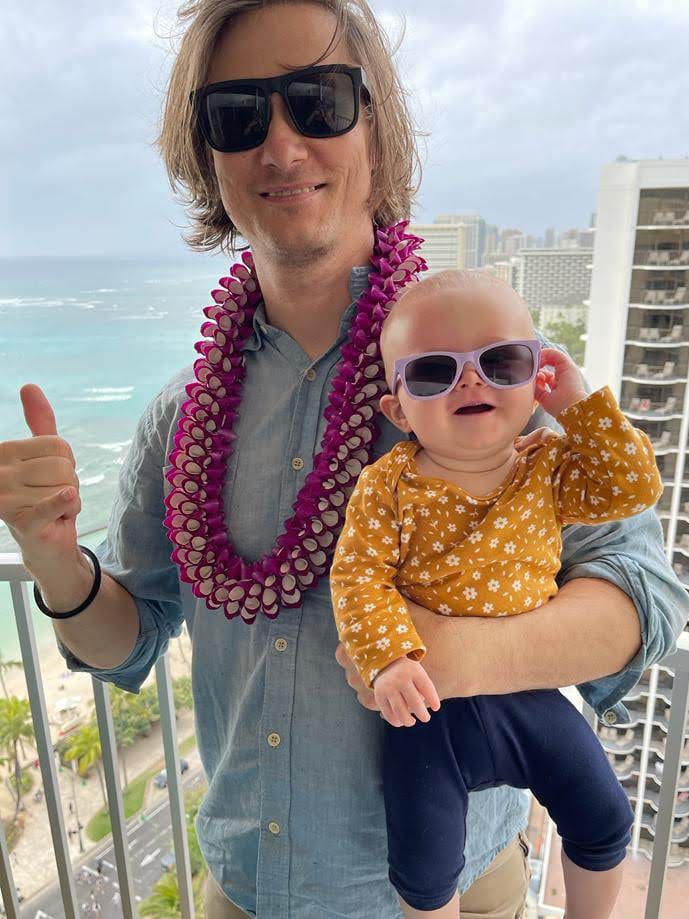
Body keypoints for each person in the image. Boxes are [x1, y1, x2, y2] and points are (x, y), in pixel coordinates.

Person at [0, 2, 686, 917]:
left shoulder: (477, 366)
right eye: (238, 114)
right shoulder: (182, 416)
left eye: (317, 101)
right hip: (242, 889)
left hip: (453, 894)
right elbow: (130, 637)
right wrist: (51, 557)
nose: (281, 147)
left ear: (378, 124)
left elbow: (642, 598)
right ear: (205, 152)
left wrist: (444, 654)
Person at [330, 269, 664, 918]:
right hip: (425, 710)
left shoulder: (549, 466)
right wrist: (391, 658)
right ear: (398, 409)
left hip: (528, 696)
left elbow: (631, 488)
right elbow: (357, 574)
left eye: (500, 361)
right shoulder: (387, 485)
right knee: (425, 870)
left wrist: (578, 405)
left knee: (603, 816)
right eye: (432, 371)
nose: (470, 380)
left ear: (530, 378)